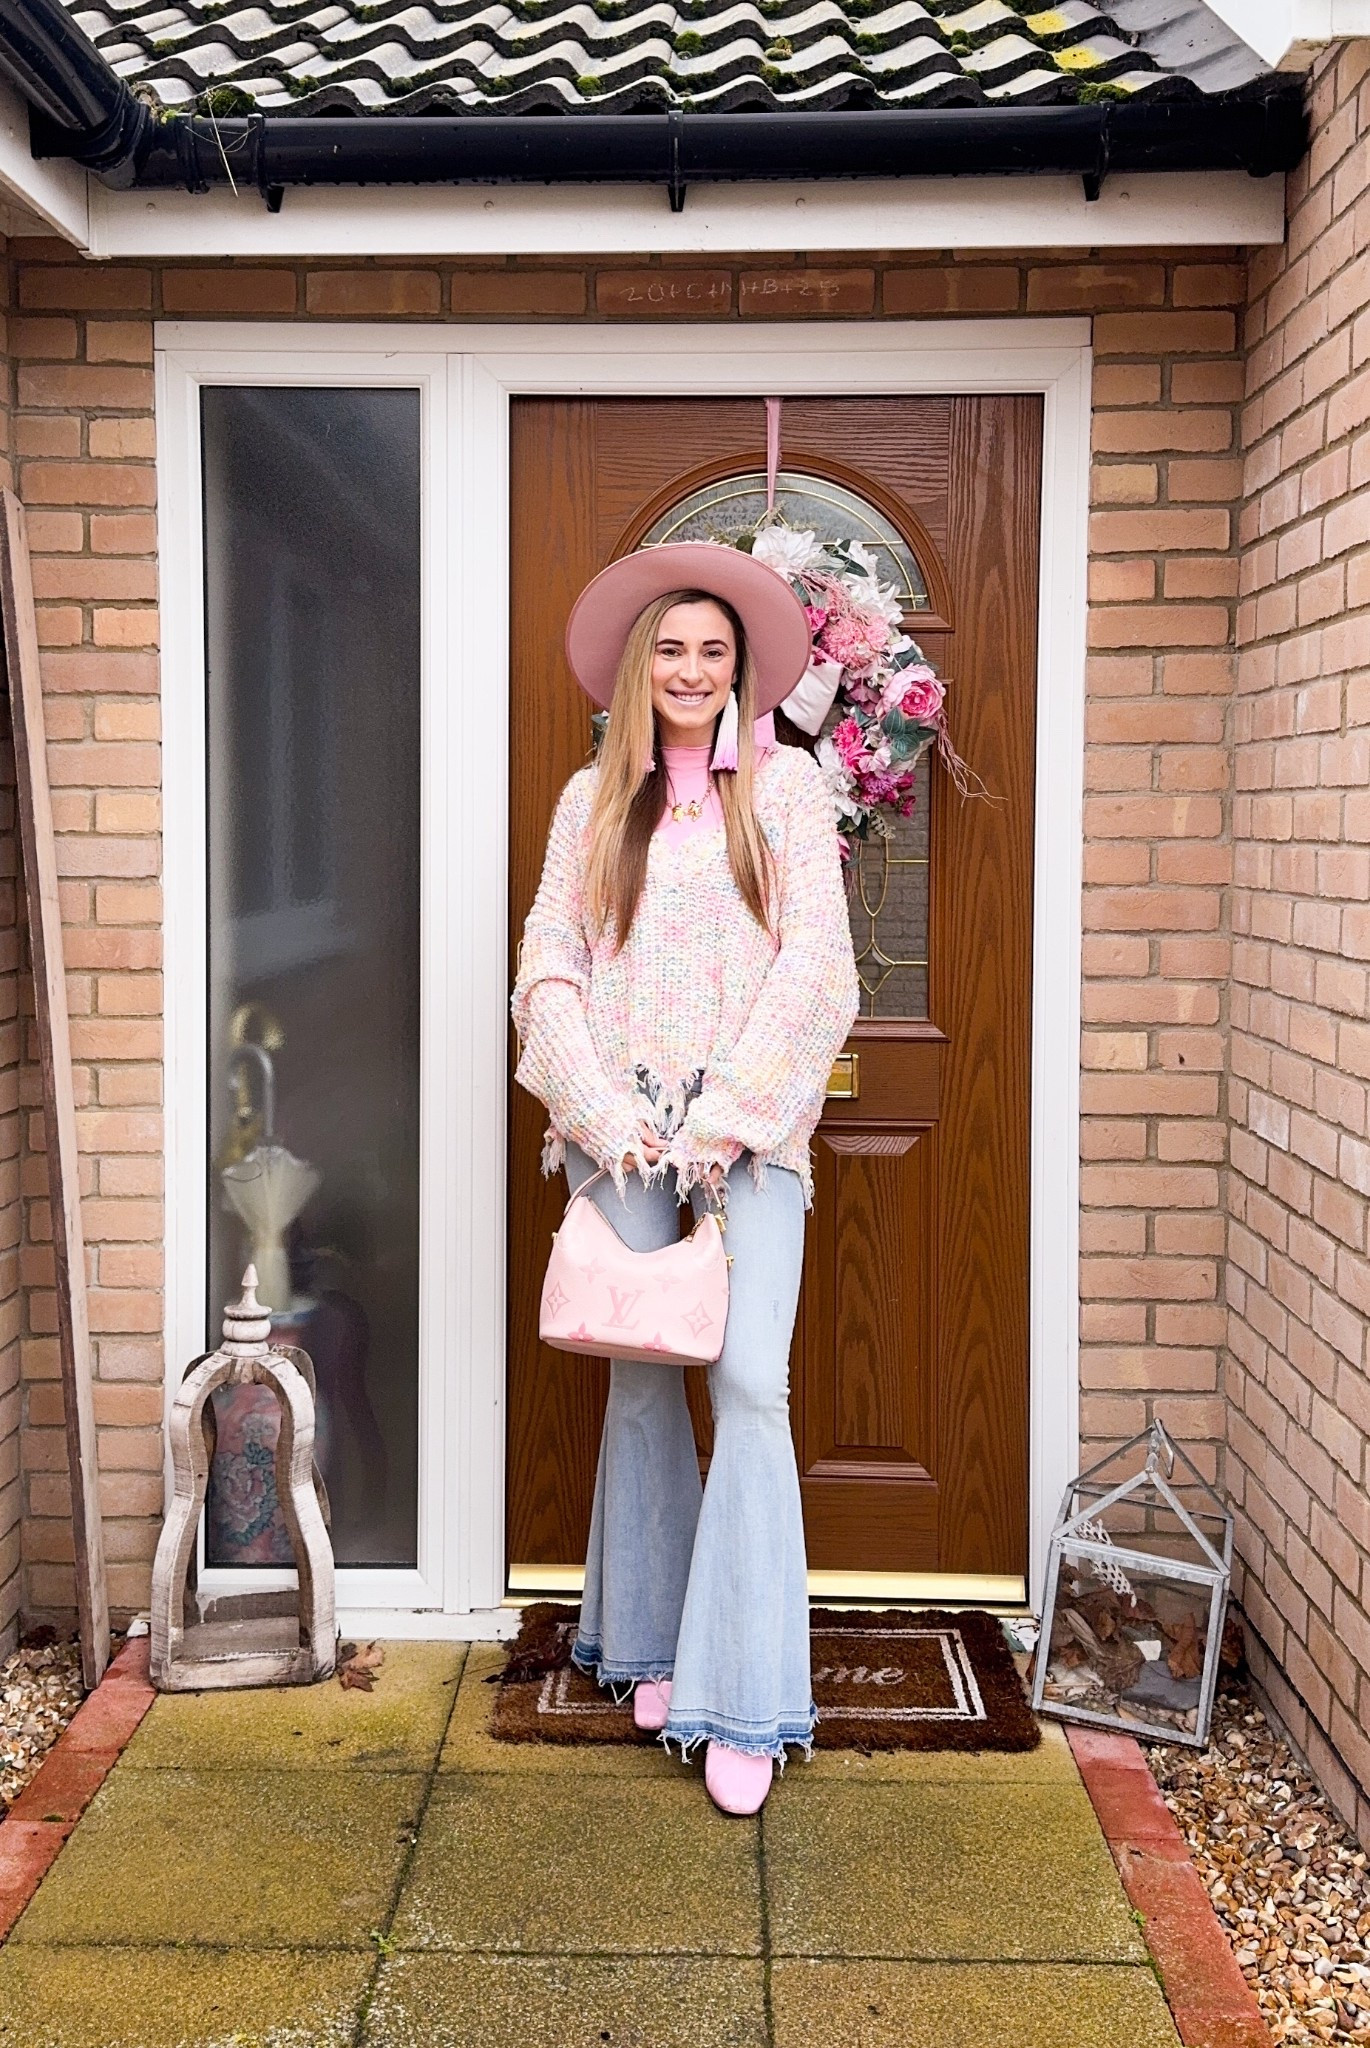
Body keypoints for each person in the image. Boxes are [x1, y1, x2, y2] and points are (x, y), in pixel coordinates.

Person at [510, 540, 860, 1816]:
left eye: (714, 651)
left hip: (745, 1136)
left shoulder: (792, 795)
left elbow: (818, 969)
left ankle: (745, 1699)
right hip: (621, 1136)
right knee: (644, 1383)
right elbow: (546, 959)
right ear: (634, 663)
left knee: (748, 1383)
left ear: (743, 668)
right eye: (670, 647)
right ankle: (650, 1643)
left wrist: (720, 1118)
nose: (691, 670)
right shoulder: (587, 803)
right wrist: (601, 1107)